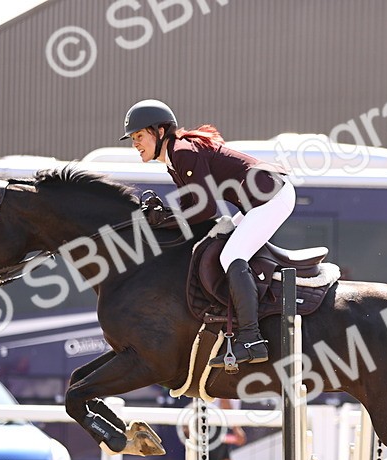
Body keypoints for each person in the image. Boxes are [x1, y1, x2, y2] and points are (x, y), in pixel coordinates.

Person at [121, 99, 294, 367]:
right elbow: (192, 209)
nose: (135, 143)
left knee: (231, 256)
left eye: (140, 136)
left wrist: (168, 218)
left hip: (272, 197)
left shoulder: (182, 152)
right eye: (133, 138)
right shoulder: (175, 158)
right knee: (220, 248)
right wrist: (165, 218)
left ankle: (251, 339)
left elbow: (206, 208)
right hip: (257, 201)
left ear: (159, 131)